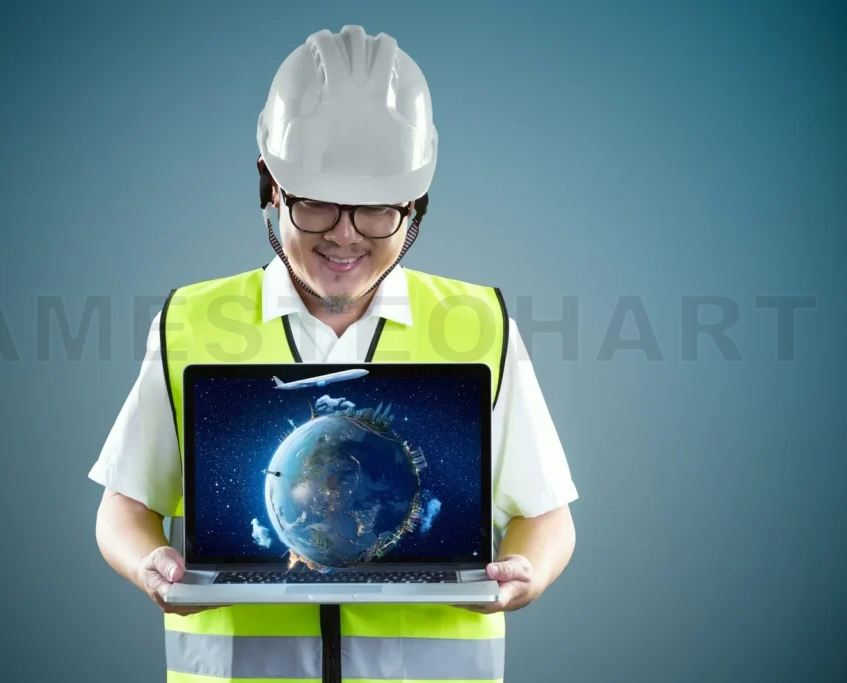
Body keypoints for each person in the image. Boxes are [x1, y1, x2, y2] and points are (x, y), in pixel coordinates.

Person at [90, 25, 578, 683]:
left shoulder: (479, 323)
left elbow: (546, 517)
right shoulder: (192, 321)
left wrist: (530, 572)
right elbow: (124, 507)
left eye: (378, 210)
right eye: (317, 205)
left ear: (416, 206)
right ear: (270, 187)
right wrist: (146, 559)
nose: (346, 235)